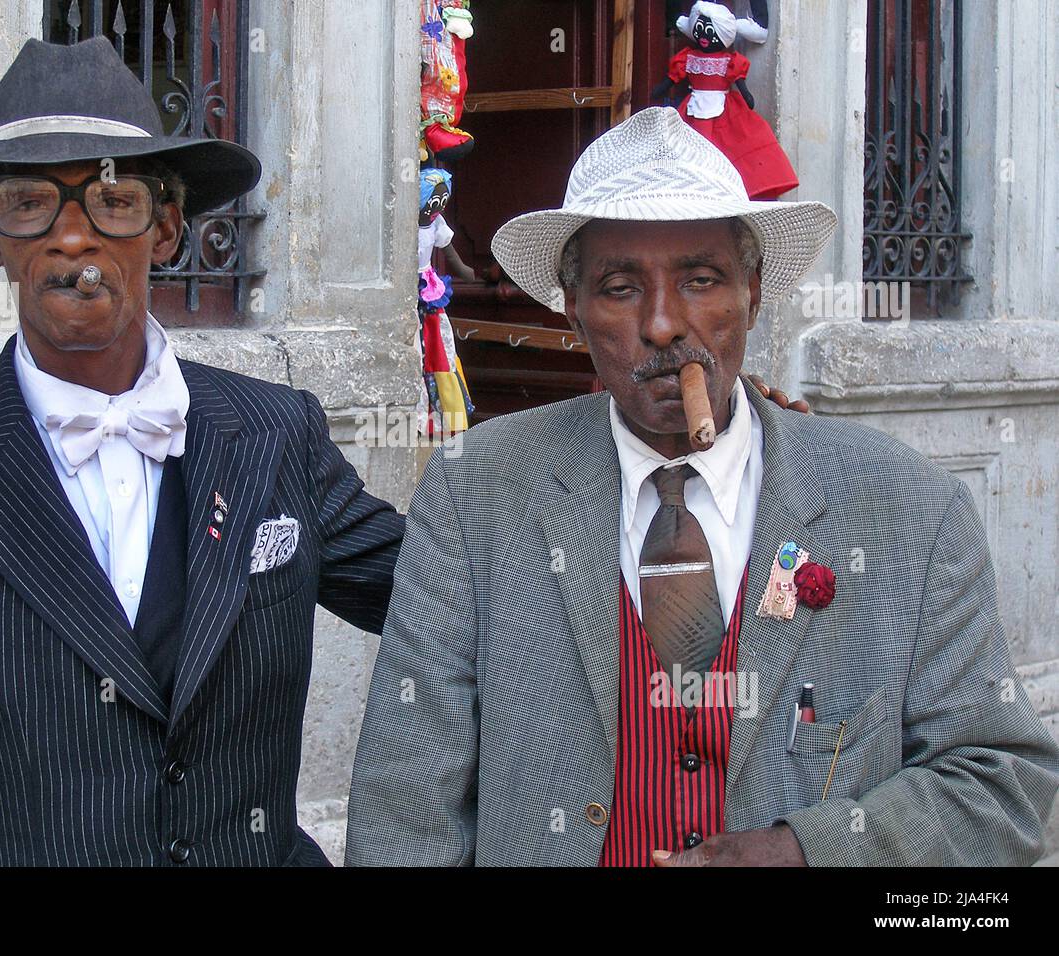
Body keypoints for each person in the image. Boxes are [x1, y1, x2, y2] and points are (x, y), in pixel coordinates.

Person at [345, 107, 1059, 866]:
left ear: (751, 290)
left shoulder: (909, 508)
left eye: (701, 279)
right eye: (619, 288)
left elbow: (1000, 786)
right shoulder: (474, 493)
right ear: (573, 307)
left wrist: (805, 852)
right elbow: (406, 803)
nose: (662, 325)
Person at [0, 37, 403, 866]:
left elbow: (440, 600)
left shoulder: (278, 436)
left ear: (166, 228)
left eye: (113, 200)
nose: (72, 239)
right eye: (30, 204)